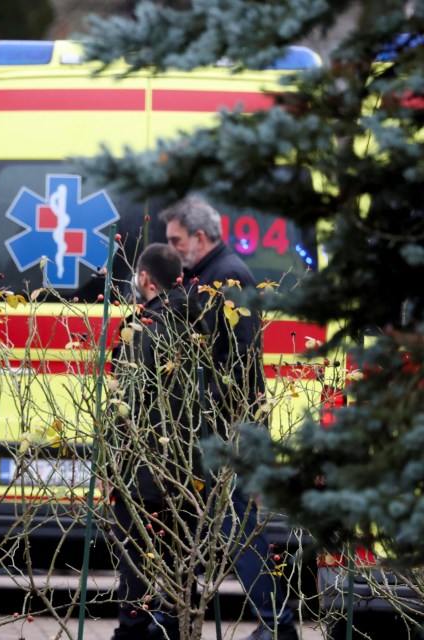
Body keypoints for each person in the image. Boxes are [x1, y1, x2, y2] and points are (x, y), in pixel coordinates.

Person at [160, 196, 296, 640]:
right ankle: (175, 616)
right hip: (216, 426)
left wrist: (207, 410)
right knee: (199, 523)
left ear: (200, 237)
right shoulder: (206, 275)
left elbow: (239, 360)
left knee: (234, 527)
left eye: (176, 241)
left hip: (228, 428)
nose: (172, 249)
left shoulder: (228, 275)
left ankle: (277, 625)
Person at [108, 244, 205, 640]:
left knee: (136, 553)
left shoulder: (144, 329)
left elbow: (127, 403)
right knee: (182, 557)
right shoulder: (202, 323)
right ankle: (181, 627)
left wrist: (113, 464)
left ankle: (132, 630)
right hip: (191, 469)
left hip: (145, 466)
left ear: (146, 280)